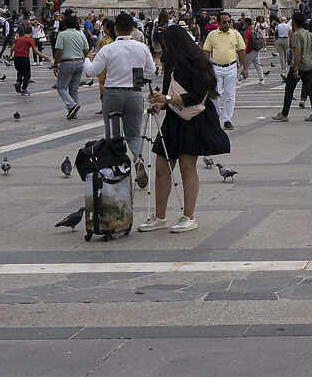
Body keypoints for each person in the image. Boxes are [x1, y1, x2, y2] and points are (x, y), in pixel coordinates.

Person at [142, 25, 228, 232]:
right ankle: (160, 216)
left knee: (186, 167)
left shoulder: (198, 64)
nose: (164, 50)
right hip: (174, 118)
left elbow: (196, 97)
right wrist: (161, 102)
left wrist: (168, 98)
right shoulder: (172, 64)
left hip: (194, 119)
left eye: (166, 46)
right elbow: (168, 91)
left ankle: (189, 216)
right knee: (162, 168)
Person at [84, 12, 158, 184]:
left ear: (115, 29)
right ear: (133, 28)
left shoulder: (108, 49)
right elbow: (151, 72)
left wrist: (87, 60)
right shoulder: (142, 48)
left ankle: (118, 167)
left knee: (113, 134)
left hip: (112, 94)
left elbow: (91, 71)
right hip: (134, 94)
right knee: (133, 134)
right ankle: (137, 158)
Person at [201, 16, 245, 131]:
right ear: (219, 23)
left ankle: (227, 120)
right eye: (224, 22)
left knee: (230, 95)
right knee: (215, 93)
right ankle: (216, 115)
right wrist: (204, 67)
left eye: (229, 22)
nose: (227, 24)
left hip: (231, 67)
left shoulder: (235, 34)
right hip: (216, 67)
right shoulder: (212, 35)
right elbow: (206, 50)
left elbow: (241, 51)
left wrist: (245, 68)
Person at [52, 14, 90, 118]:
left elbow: (59, 50)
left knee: (61, 87)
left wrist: (55, 65)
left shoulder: (62, 35)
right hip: (79, 62)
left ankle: (72, 105)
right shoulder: (81, 35)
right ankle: (73, 113)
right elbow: (86, 50)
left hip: (67, 62)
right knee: (74, 88)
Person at [10, 21, 37, 96]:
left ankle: (18, 82)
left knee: (20, 71)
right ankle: (24, 89)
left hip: (16, 57)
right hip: (24, 57)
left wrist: (10, 56)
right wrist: (44, 57)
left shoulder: (18, 39)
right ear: (31, 32)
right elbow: (35, 51)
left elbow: (12, 48)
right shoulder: (30, 40)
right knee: (27, 74)